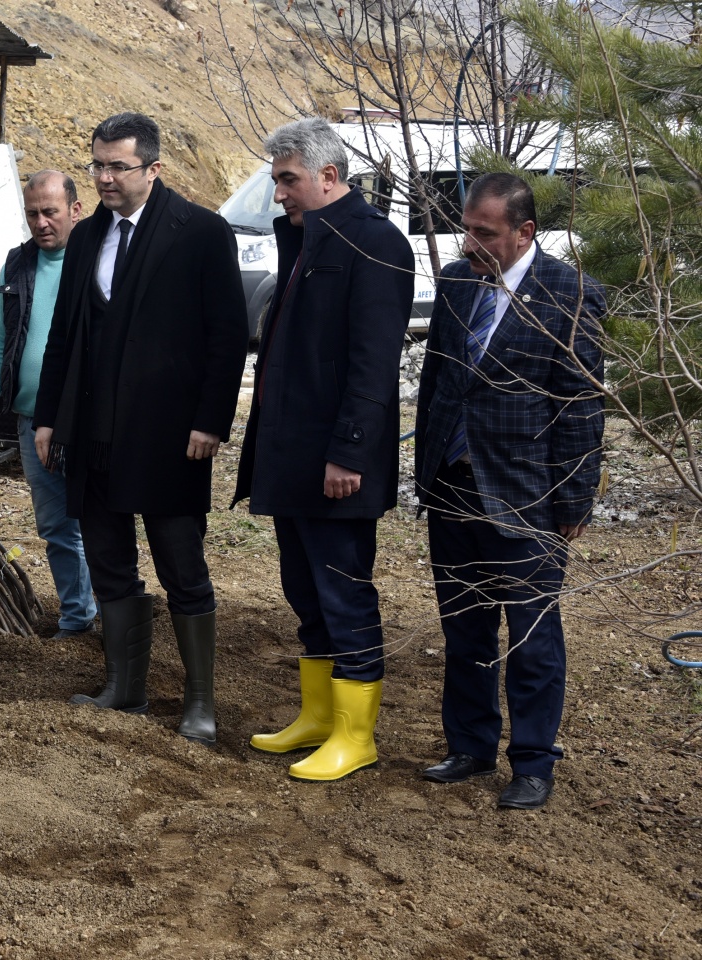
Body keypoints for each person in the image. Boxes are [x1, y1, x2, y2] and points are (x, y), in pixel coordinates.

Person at [33, 112, 249, 746]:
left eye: (117, 166)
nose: (103, 177)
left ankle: (200, 703)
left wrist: (212, 420)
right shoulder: (86, 235)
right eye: (97, 164)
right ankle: (124, 687)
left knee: (181, 565)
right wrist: (49, 416)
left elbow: (228, 335)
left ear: (154, 169)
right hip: (91, 429)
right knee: (108, 558)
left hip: (169, 433)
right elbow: (63, 336)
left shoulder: (200, 232)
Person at [414, 172, 606, 810]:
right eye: (465, 227)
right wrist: (426, 472)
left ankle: (532, 761)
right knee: (464, 628)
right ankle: (470, 746)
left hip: (525, 494)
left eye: (484, 232)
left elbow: (579, 407)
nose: (470, 241)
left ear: (525, 232)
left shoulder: (571, 294)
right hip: (454, 485)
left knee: (530, 635)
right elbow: (439, 381)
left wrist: (574, 500)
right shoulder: (459, 281)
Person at [231, 117, 414, 782]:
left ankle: (355, 736)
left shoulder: (377, 245)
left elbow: (372, 365)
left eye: (287, 179)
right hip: (293, 456)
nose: (278, 193)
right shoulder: (309, 238)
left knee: (344, 594)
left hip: (337, 465)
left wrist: (352, 454)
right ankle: (318, 716)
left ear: (329, 176)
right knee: (304, 591)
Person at [0, 171, 98, 640]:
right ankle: (77, 616)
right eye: (32, 214)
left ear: (75, 209)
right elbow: (0, 339)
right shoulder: (19, 264)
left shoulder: (96, 259)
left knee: (98, 519)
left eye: (51, 212)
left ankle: (116, 606)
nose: (42, 223)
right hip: (28, 417)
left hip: (85, 417)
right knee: (55, 524)